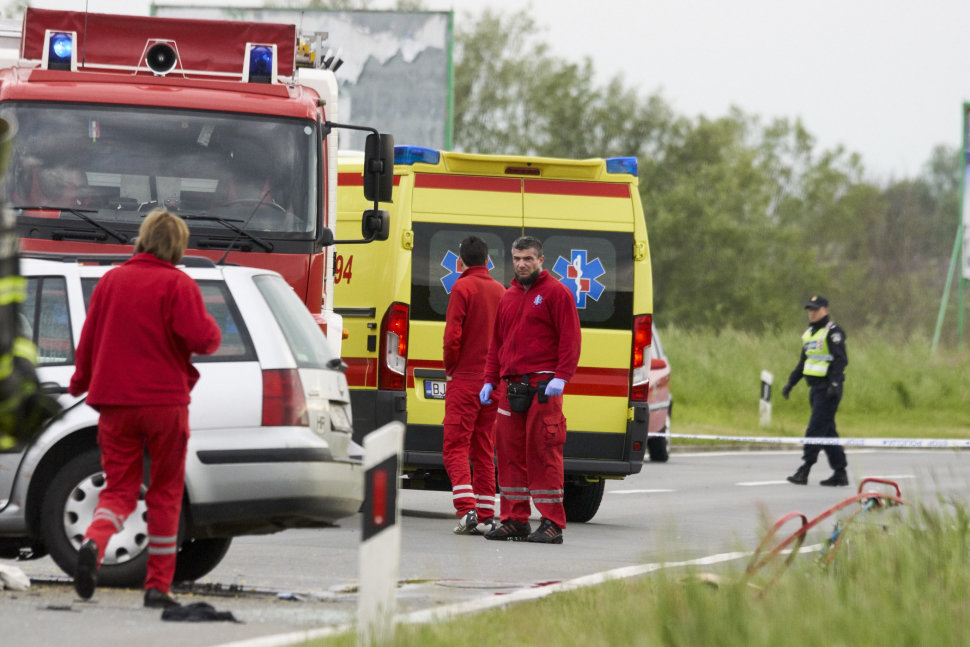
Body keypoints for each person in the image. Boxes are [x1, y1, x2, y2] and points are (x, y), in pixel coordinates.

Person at [68, 209, 221, 608]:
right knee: (165, 492)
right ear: (179, 245)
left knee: (119, 489)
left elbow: (89, 340)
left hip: (115, 405)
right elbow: (203, 339)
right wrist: (211, 326)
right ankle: (157, 586)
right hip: (165, 404)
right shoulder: (179, 284)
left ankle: (94, 543)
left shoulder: (110, 282)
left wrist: (80, 382)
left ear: (143, 238)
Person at [480, 235, 581, 544]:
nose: (522, 264)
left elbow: (571, 338)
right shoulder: (508, 297)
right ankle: (514, 519)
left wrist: (562, 376)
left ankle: (552, 523)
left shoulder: (557, 293)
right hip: (511, 388)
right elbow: (496, 343)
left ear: (541, 260)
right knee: (508, 454)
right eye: (517, 259)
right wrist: (489, 379)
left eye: (528, 258)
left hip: (543, 387)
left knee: (544, 453)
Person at [442, 235, 506, 535]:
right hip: (492, 383)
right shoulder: (501, 291)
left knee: (455, 446)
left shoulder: (462, 287)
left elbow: (452, 337)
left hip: (465, 380)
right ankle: (486, 515)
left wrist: (450, 368)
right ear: (488, 261)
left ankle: (466, 510)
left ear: (460, 262)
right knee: (483, 448)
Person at [781, 295, 849, 486]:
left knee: (815, 429)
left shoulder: (833, 332)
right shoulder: (809, 334)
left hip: (828, 390)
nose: (812, 313)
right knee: (827, 432)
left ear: (825, 310)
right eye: (810, 309)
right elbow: (804, 362)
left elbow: (840, 360)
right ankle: (840, 472)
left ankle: (805, 469)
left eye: (816, 309)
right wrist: (791, 383)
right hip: (815, 389)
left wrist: (834, 384)